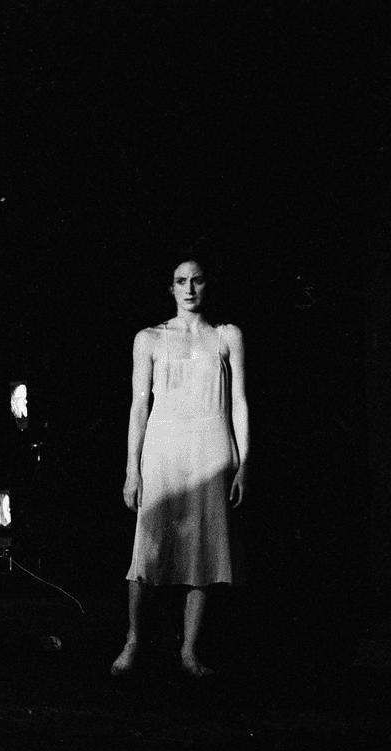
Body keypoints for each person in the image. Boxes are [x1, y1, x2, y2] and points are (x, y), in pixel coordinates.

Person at [113, 259, 248, 677]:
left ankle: (189, 650)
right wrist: (132, 469)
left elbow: (240, 399)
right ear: (170, 288)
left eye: (197, 280)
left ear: (208, 285)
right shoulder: (149, 338)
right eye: (180, 281)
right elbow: (139, 405)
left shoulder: (226, 336)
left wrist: (245, 463)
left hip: (210, 449)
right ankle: (134, 640)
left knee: (204, 552)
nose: (189, 288)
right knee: (148, 550)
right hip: (163, 448)